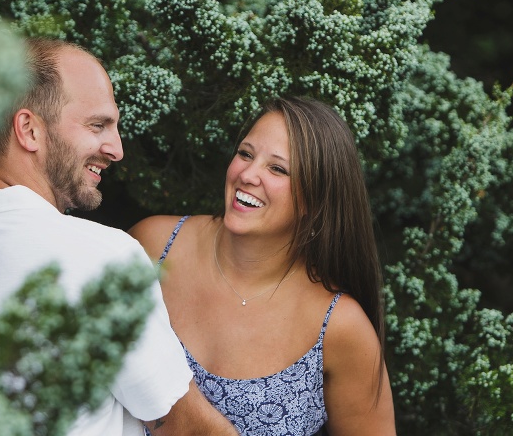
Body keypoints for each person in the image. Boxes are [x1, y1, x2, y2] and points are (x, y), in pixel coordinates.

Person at [0, 37, 238, 436]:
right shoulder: (101, 258)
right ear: (29, 130)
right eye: (98, 125)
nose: (117, 149)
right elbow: (186, 428)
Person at [129, 96, 397, 435]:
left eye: (277, 168)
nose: (248, 174)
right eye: (245, 153)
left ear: (313, 201)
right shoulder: (153, 245)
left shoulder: (340, 329)